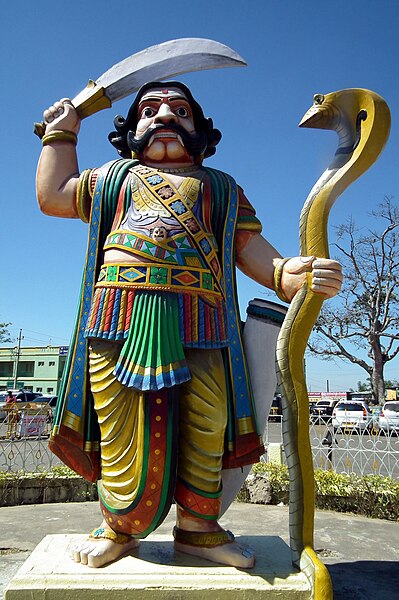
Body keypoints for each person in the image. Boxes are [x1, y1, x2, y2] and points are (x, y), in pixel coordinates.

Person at [36, 82, 342, 569]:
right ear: (130, 130)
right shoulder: (110, 180)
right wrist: (61, 136)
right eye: (150, 109)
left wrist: (286, 272)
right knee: (122, 426)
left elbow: (248, 248)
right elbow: (53, 195)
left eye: (180, 110)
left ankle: (199, 529)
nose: (165, 117)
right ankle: (119, 526)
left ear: (200, 131)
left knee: (207, 420)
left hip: (203, 318)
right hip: (119, 312)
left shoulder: (220, 186)